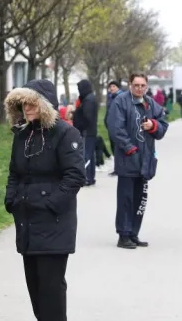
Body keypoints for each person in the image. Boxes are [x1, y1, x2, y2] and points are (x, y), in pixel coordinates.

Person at [3, 78, 86, 321]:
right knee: (34, 278)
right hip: (26, 218)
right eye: (22, 103)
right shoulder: (23, 134)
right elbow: (15, 171)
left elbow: (75, 176)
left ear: (44, 104)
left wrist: (51, 203)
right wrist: (11, 199)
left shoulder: (65, 134)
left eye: (31, 102)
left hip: (53, 220)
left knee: (51, 280)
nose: (26, 108)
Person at [107, 71, 169, 249]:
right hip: (128, 160)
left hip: (146, 160)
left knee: (140, 199)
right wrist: (130, 149)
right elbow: (115, 128)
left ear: (147, 86)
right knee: (126, 199)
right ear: (130, 85)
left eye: (143, 85)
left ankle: (134, 233)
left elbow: (163, 124)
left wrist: (153, 125)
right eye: (136, 85)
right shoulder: (121, 101)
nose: (139, 88)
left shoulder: (150, 103)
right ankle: (123, 235)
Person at [72, 78, 97, 186]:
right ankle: (90, 177)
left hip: (87, 132)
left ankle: (87, 177)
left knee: (86, 155)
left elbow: (87, 117)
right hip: (89, 131)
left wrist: (80, 126)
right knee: (89, 155)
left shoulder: (88, 100)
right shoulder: (88, 98)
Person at [104, 79, 121, 175]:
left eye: (114, 86)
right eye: (110, 87)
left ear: (118, 87)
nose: (112, 88)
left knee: (118, 148)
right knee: (113, 147)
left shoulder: (120, 97)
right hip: (110, 127)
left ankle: (120, 168)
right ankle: (117, 168)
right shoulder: (110, 97)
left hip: (117, 126)